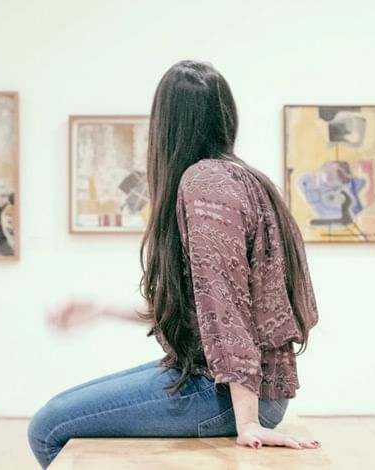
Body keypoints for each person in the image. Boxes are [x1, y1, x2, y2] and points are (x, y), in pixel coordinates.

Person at [27, 60, 321, 468]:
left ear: (165, 123)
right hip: (231, 383)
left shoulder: (204, 183)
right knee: (57, 412)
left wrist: (249, 422)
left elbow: (225, 304)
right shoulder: (242, 178)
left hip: (227, 394)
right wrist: (102, 310)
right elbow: (202, 309)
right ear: (225, 115)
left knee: (48, 427)